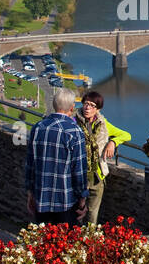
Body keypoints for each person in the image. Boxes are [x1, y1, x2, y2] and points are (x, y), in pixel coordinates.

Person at [24, 87, 88, 224]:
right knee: (65, 241)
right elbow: (79, 170)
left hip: (41, 196)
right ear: (72, 108)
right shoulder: (75, 131)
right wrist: (82, 197)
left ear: (54, 105)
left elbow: (30, 164)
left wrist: (30, 192)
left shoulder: (38, 128)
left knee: (43, 241)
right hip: (66, 200)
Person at [73, 90, 130, 225]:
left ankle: (90, 242)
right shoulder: (73, 121)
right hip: (77, 175)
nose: (87, 107)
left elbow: (126, 135)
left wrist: (113, 142)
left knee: (92, 215)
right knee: (76, 212)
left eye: (92, 105)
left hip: (96, 177)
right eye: (86, 103)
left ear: (98, 109)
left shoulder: (103, 124)